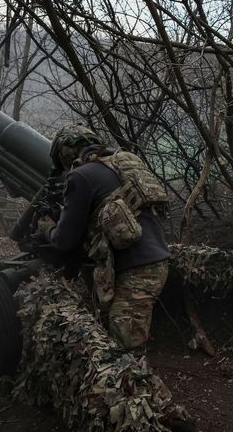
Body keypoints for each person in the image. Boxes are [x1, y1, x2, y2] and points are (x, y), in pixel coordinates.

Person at [37, 124, 171, 350]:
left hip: (136, 273)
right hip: (156, 259)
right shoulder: (124, 160)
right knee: (119, 335)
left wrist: (47, 228)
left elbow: (64, 240)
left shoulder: (80, 176)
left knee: (122, 354)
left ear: (66, 153)